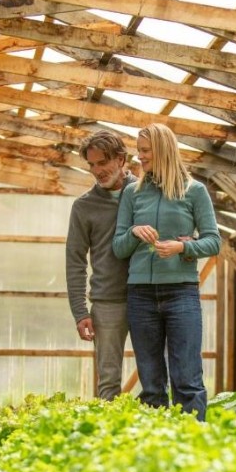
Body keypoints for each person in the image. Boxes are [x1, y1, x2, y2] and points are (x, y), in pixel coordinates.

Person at [112, 123, 221, 421]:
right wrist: (134, 231)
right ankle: (156, 452)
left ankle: (191, 447)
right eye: (139, 151)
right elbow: (118, 248)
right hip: (141, 295)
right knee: (151, 384)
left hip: (181, 293)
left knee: (187, 379)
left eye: (145, 151)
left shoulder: (194, 191)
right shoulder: (133, 193)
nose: (140, 158)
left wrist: (182, 248)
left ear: (163, 150)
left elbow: (214, 241)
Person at [66, 130, 137, 400]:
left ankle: (157, 437)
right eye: (92, 165)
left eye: (103, 162)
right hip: (107, 303)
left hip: (147, 296)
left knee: (155, 373)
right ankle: (108, 439)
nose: (97, 170)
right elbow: (74, 261)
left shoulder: (146, 194)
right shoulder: (84, 206)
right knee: (108, 381)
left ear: (121, 159)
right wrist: (80, 311)